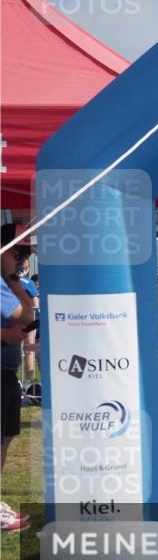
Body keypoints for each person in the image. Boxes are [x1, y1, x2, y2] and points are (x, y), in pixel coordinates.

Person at [1, 224, 35, 532]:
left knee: (6, 436)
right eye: (17, 251)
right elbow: (23, 315)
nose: (22, 259)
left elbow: (24, 321)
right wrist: (13, 281)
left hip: (6, 372)